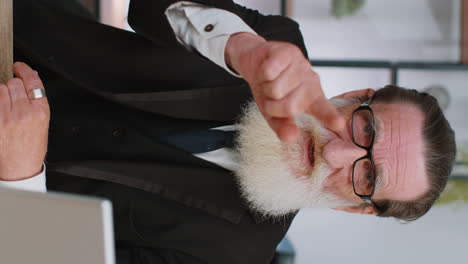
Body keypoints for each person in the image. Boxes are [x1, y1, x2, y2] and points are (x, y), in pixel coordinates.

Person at [0, 0, 456, 263]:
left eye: (368, 177)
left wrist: (21, 181)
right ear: (358, 94)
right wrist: (240, 47)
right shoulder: (274, 47)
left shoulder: (232, 258)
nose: (336, 154)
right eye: (365, 129)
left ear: (360, 210)